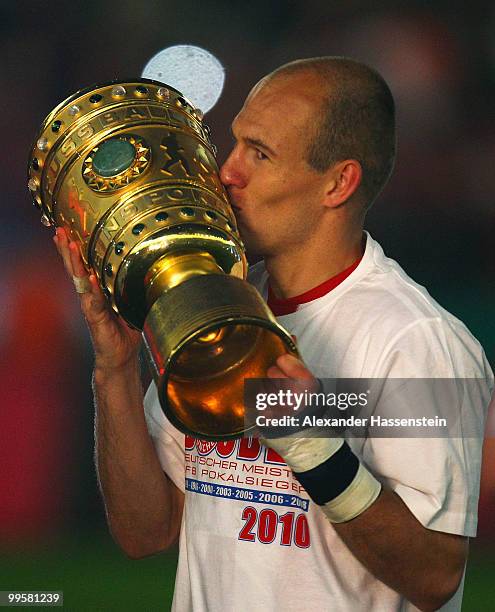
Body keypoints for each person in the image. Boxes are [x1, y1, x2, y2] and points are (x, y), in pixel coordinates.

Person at [54, 57, 493, 611]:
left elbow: (435, 577)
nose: (227, 172)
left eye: (259, 154)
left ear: (338, 183)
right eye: (234, 144)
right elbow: (146, 532)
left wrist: (316, 449)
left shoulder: (418, 340)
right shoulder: (215, 304)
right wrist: (114, 368)